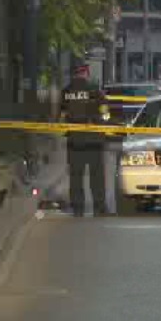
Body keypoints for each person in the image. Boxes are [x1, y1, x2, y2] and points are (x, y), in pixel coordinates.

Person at [60, 75, 110, 217]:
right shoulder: (94, 90)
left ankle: (77, 207)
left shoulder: (66, 91)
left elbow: (62, 115)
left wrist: (66, 128)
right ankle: (99, 206)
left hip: (75, 140)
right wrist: (104, 124)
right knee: (97, 175)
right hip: (94, 139)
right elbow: (105, 111)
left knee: (76, 175)